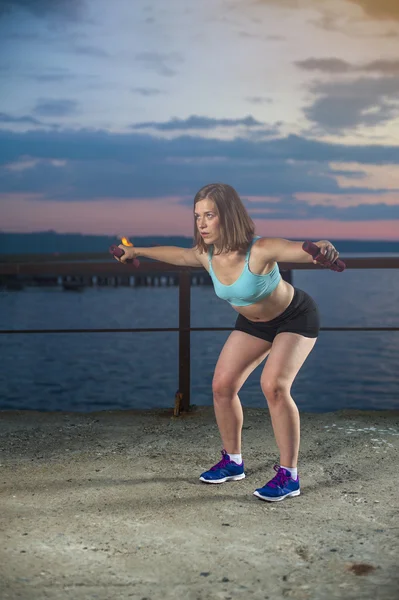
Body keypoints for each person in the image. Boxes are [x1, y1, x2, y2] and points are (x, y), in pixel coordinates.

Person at [115, 183, 340, 502]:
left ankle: (289, 476)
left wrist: (322, 247)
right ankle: (233, 462)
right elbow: (177, 255)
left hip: (295, 317)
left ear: (229, 216)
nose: (202, 223)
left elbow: (297, 248)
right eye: (197, 216)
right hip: (253, 324)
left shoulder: (260, 249)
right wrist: (135, 251)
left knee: (274, 386)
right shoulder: (206, 255)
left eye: (210, 215)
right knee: (222, 385)